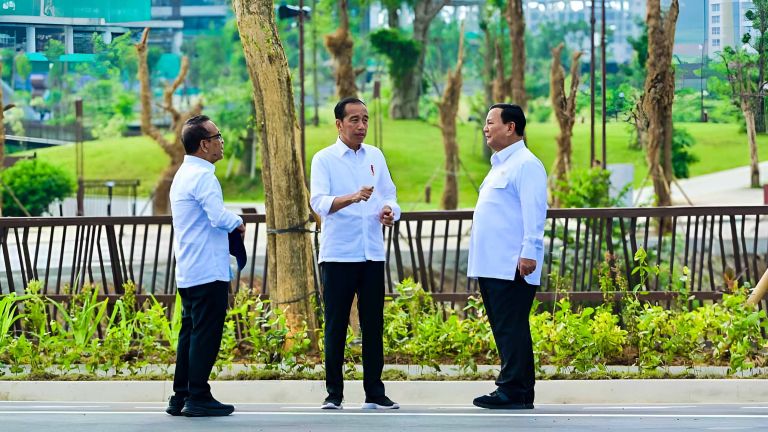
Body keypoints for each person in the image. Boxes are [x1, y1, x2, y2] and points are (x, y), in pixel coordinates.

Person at [310, 97, 401, 410]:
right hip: (338, 255)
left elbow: (389, 194)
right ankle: (334, 394)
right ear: (339, 124)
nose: (361, 126)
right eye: (354, 120)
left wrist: (390, 210)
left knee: (373, 324)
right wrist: (352, 197)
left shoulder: (375, 155)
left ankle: (375, 393)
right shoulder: (324, 159)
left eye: (365, 119)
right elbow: (319, 202)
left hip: (372, 253)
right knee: (335, 325)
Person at [467, 104, 547, 410]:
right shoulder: (500, 165)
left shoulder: (526, 164)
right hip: (493, 264)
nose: (486, 128)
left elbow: (534, 212)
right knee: (506, 327)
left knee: (510, 326)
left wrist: (529, 252)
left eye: (490, 123)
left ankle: (513, 389)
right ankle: (519, 390)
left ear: (510, 127)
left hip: (511, 264)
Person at [165, 115, 245, 417]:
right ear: (204, 144)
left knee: (190, 333)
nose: (221, 141)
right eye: (217, 136)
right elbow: (217, 217)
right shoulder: (203, 176)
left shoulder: (184, 174)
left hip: (189, 269)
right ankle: (198, 395)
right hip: (206, 269)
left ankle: (181, 395)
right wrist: (238, 222)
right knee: (206, 334)